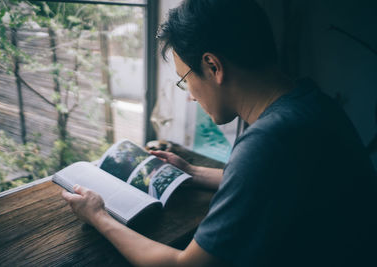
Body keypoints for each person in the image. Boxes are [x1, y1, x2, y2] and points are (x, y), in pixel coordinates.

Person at [61, 0, 377, 266]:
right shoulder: (310, 103)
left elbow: (184, 266)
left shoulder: (269, 141)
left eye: (184, 79)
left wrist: (99, 215)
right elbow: (269, 182)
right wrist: (191, 171)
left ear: (213, 66)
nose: (190, 95)